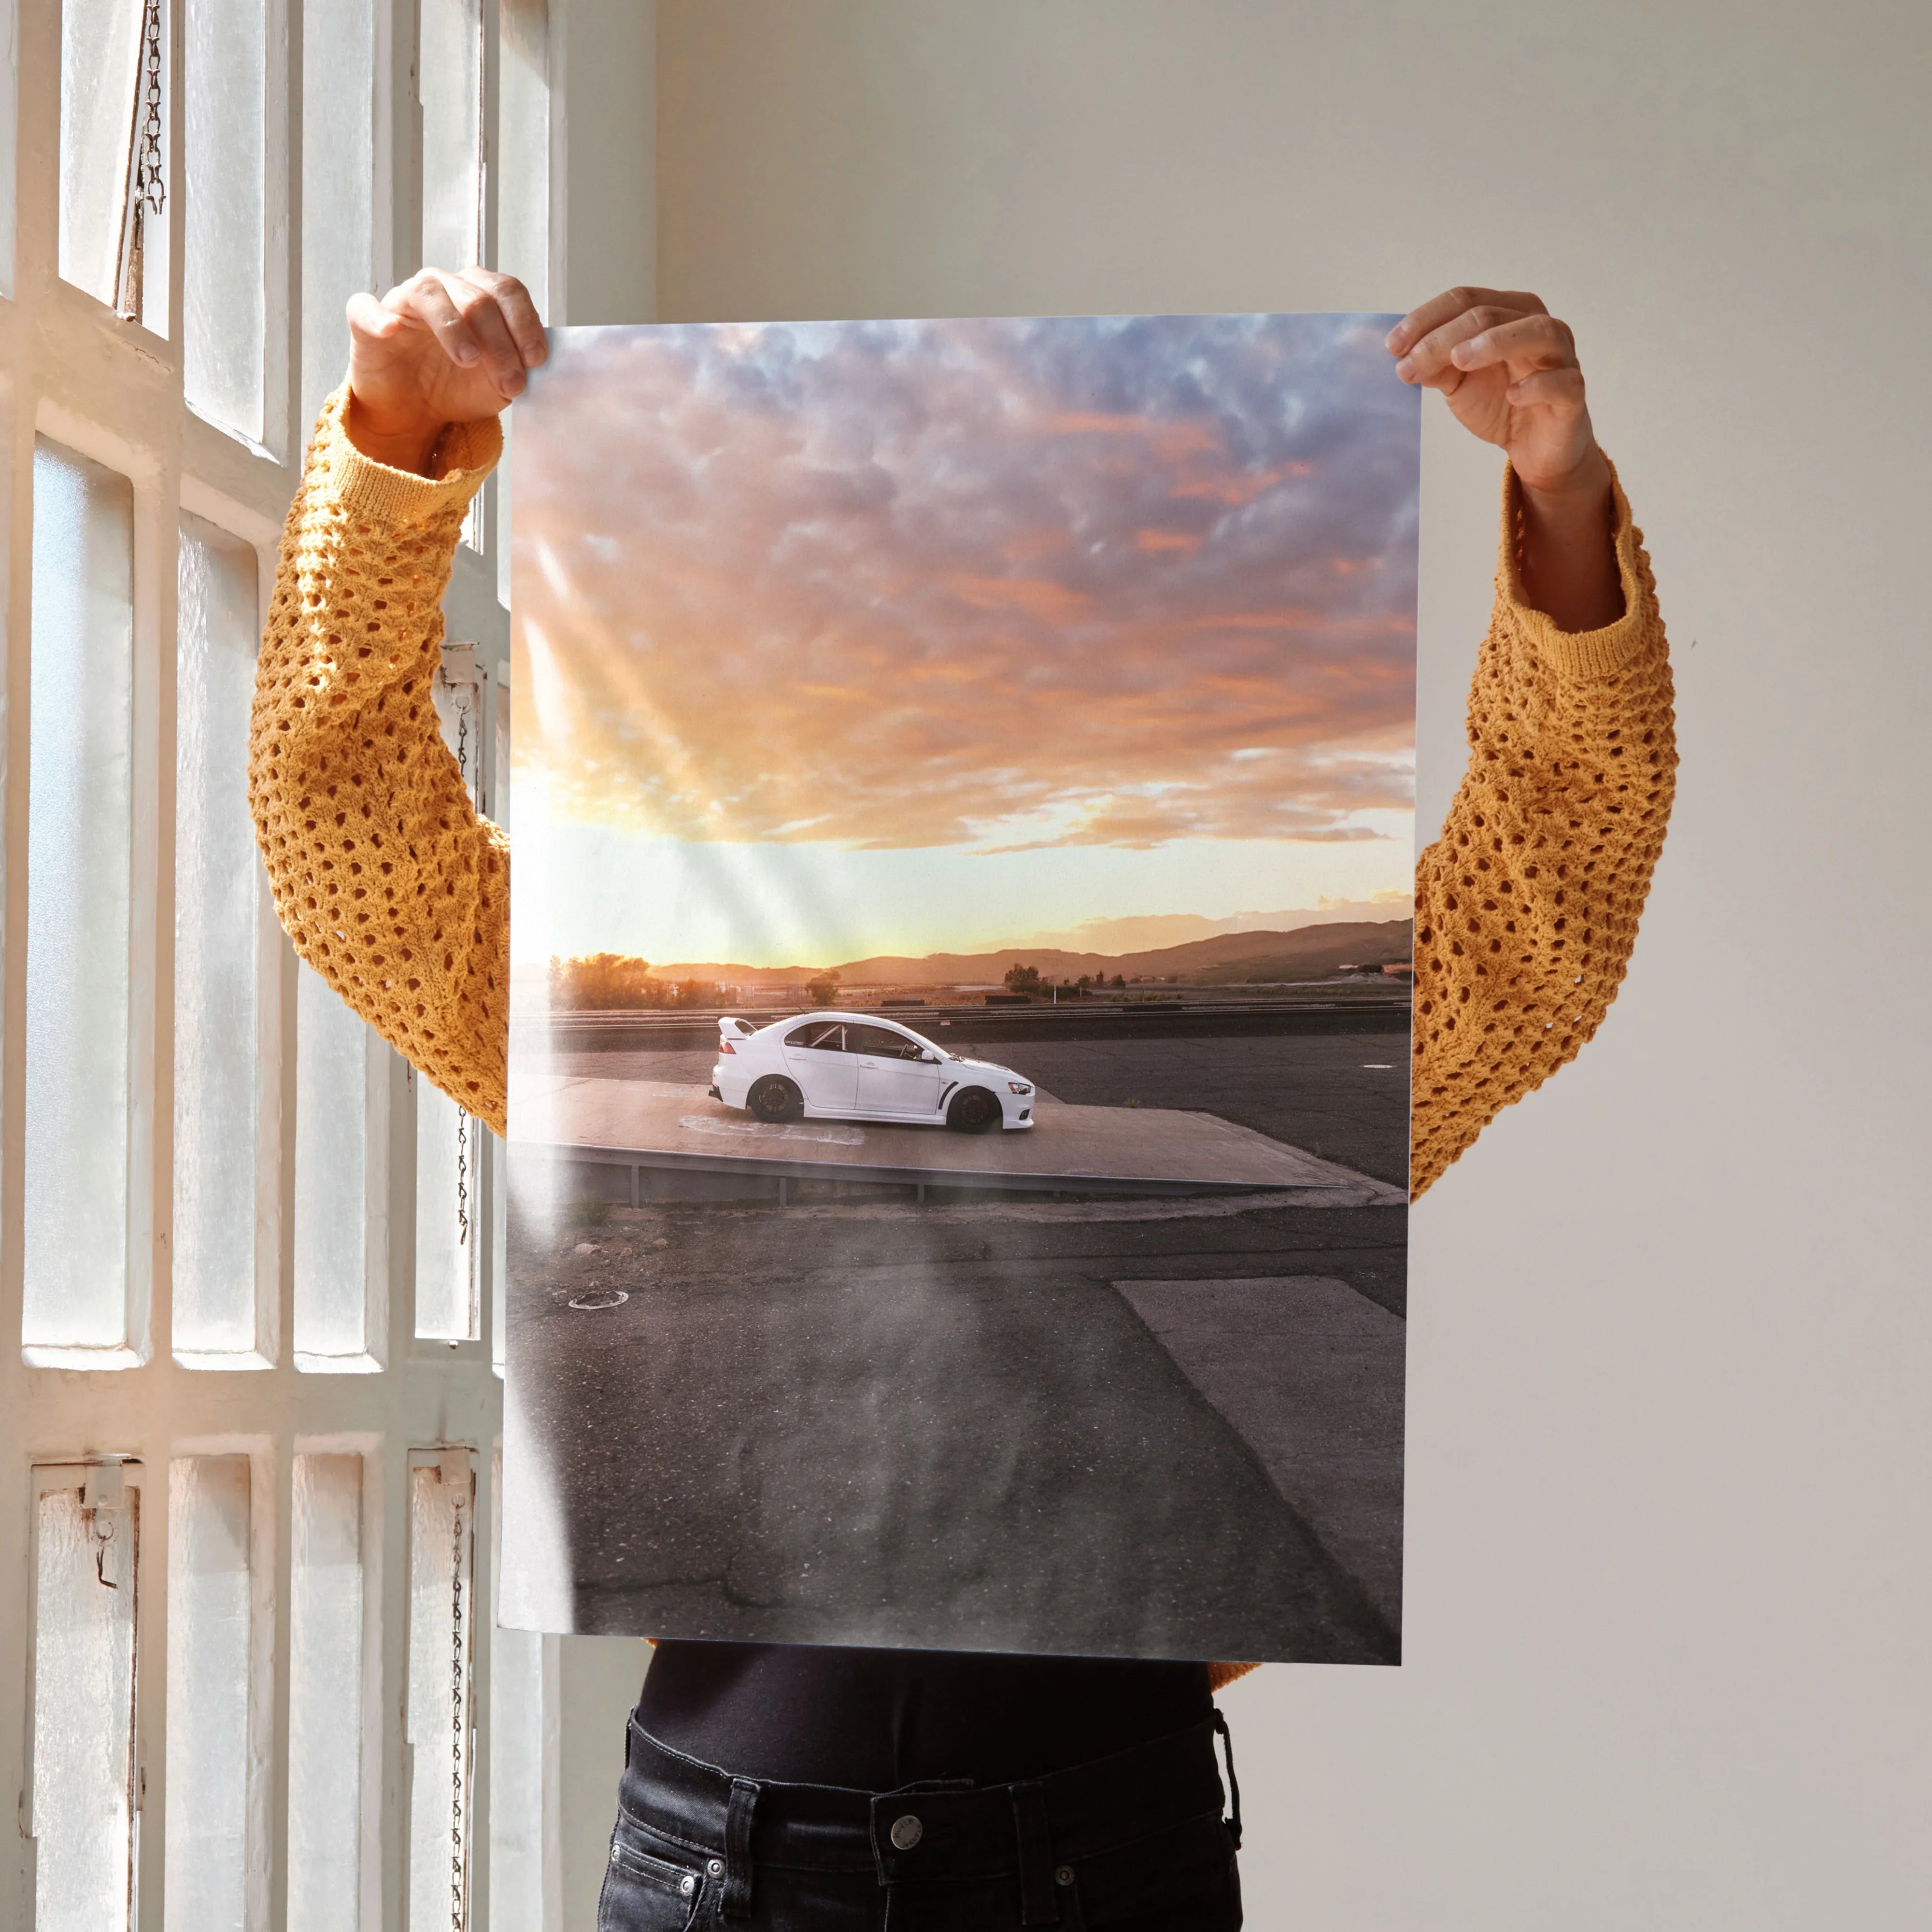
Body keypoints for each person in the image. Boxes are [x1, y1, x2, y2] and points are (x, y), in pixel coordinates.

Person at [250, 271, 1674, 1929]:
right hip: (730, 1863)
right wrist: (392, 449)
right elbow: (343, 832)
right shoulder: (576, 1034)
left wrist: (1560, 498)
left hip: (1102, 1851)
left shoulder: (1129, 1115)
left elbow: (1547, 904)